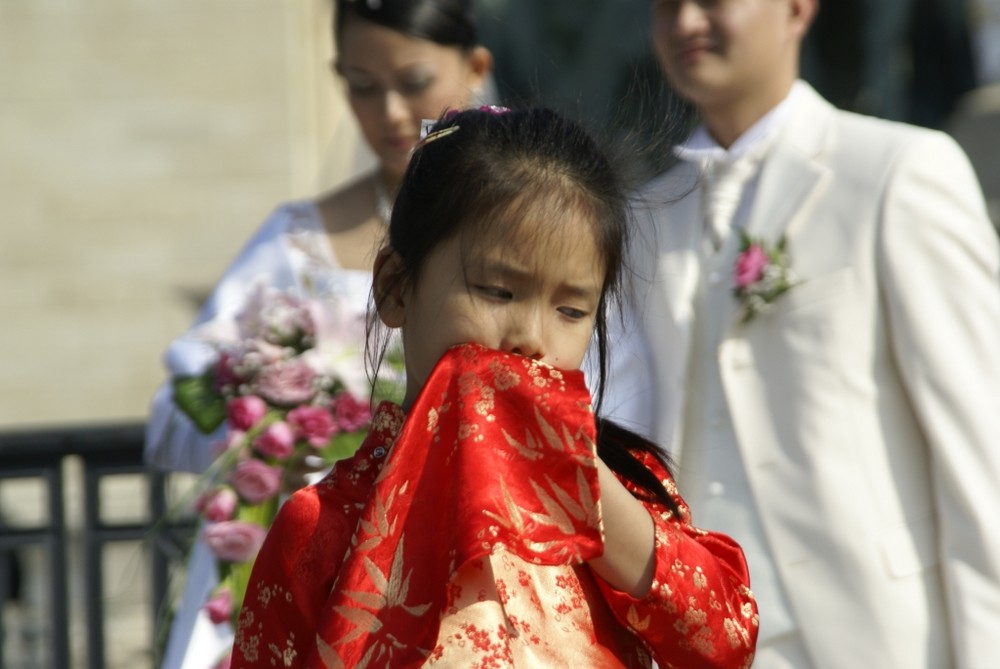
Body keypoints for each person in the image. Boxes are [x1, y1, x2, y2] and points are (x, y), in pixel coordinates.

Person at [229, 107, 759, 668]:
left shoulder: (620, 488)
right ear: (394, 289)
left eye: (571, 310)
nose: (531, 339)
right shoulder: (322, 526)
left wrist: (574, 476)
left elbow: (723, 643)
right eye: (498, 292)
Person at [608, 0, 1000, 666]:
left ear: (797, 7)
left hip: (879, 637)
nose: (686, 23)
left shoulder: (898, 171)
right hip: (699, 639)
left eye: (711, 1)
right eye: (667, 5)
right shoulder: (642, 219)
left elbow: (982, 448)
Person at [144, 2, 492, 667]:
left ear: (475, 70)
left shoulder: (519, 243)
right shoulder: (295, 241)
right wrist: (275, 418)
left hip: (457, 563)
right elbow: (175, 405)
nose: (388, 112)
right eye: (362, 87)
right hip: (302, 563)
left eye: (413, 82)